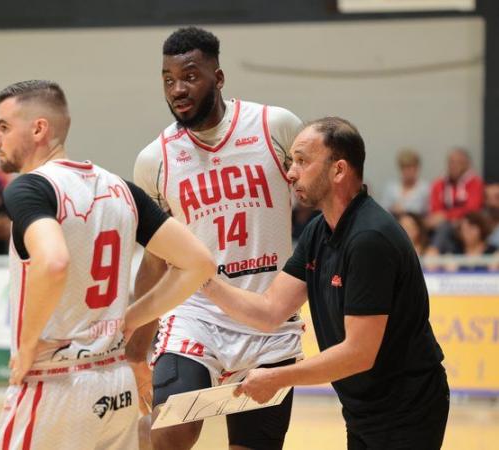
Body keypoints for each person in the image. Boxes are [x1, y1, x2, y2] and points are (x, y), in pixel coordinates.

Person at [0, 80, 214, 450]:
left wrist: (27, 344)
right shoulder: (121, 189)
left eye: (3, 126)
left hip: (54, 383)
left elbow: (54, 262)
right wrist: (132, 317)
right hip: (114, 381)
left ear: (39, 128)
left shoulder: (29, 188)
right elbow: (199, 263)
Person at [202, 117, 449, 449]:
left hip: (407, 407)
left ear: (338, 170)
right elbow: (270, 310)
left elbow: (358, 353)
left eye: (302, 161)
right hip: (362, 406)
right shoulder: (318, 231)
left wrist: (276, 378)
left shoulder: (369, 238)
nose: (290, 173)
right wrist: (202, 280)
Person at [130, 26, 305, 450]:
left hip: (268, 317)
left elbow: (320, 205)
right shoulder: (155, 160)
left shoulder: (274, 126)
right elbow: (156, 259)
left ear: (219, 77)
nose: (177, 89)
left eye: (190, 76)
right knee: (168, 434)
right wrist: (135, 346)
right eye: (168, 80)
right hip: (196, 315)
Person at [426, 148, 484, 254]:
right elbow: (435, 210)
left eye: (458, 162)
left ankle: (433, 253)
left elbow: (472, 209)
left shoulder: (475, 183)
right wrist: (442, 217)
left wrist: (447, 216)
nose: (453, 166)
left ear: (467, 164)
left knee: (445, 228)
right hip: (442, 225)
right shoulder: (438, 184)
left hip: (465, 223)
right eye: (451, 162)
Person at [379, 148, 429, 216]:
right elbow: (382, 210)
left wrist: (404, 211)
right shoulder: (391, 187)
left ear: (417, 168)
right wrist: (393, 208)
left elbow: (426, 213)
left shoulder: (424, 188)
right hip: (393, 221)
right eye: (404, 168)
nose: (407, 171)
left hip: (416, 222)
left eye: (410, 167)